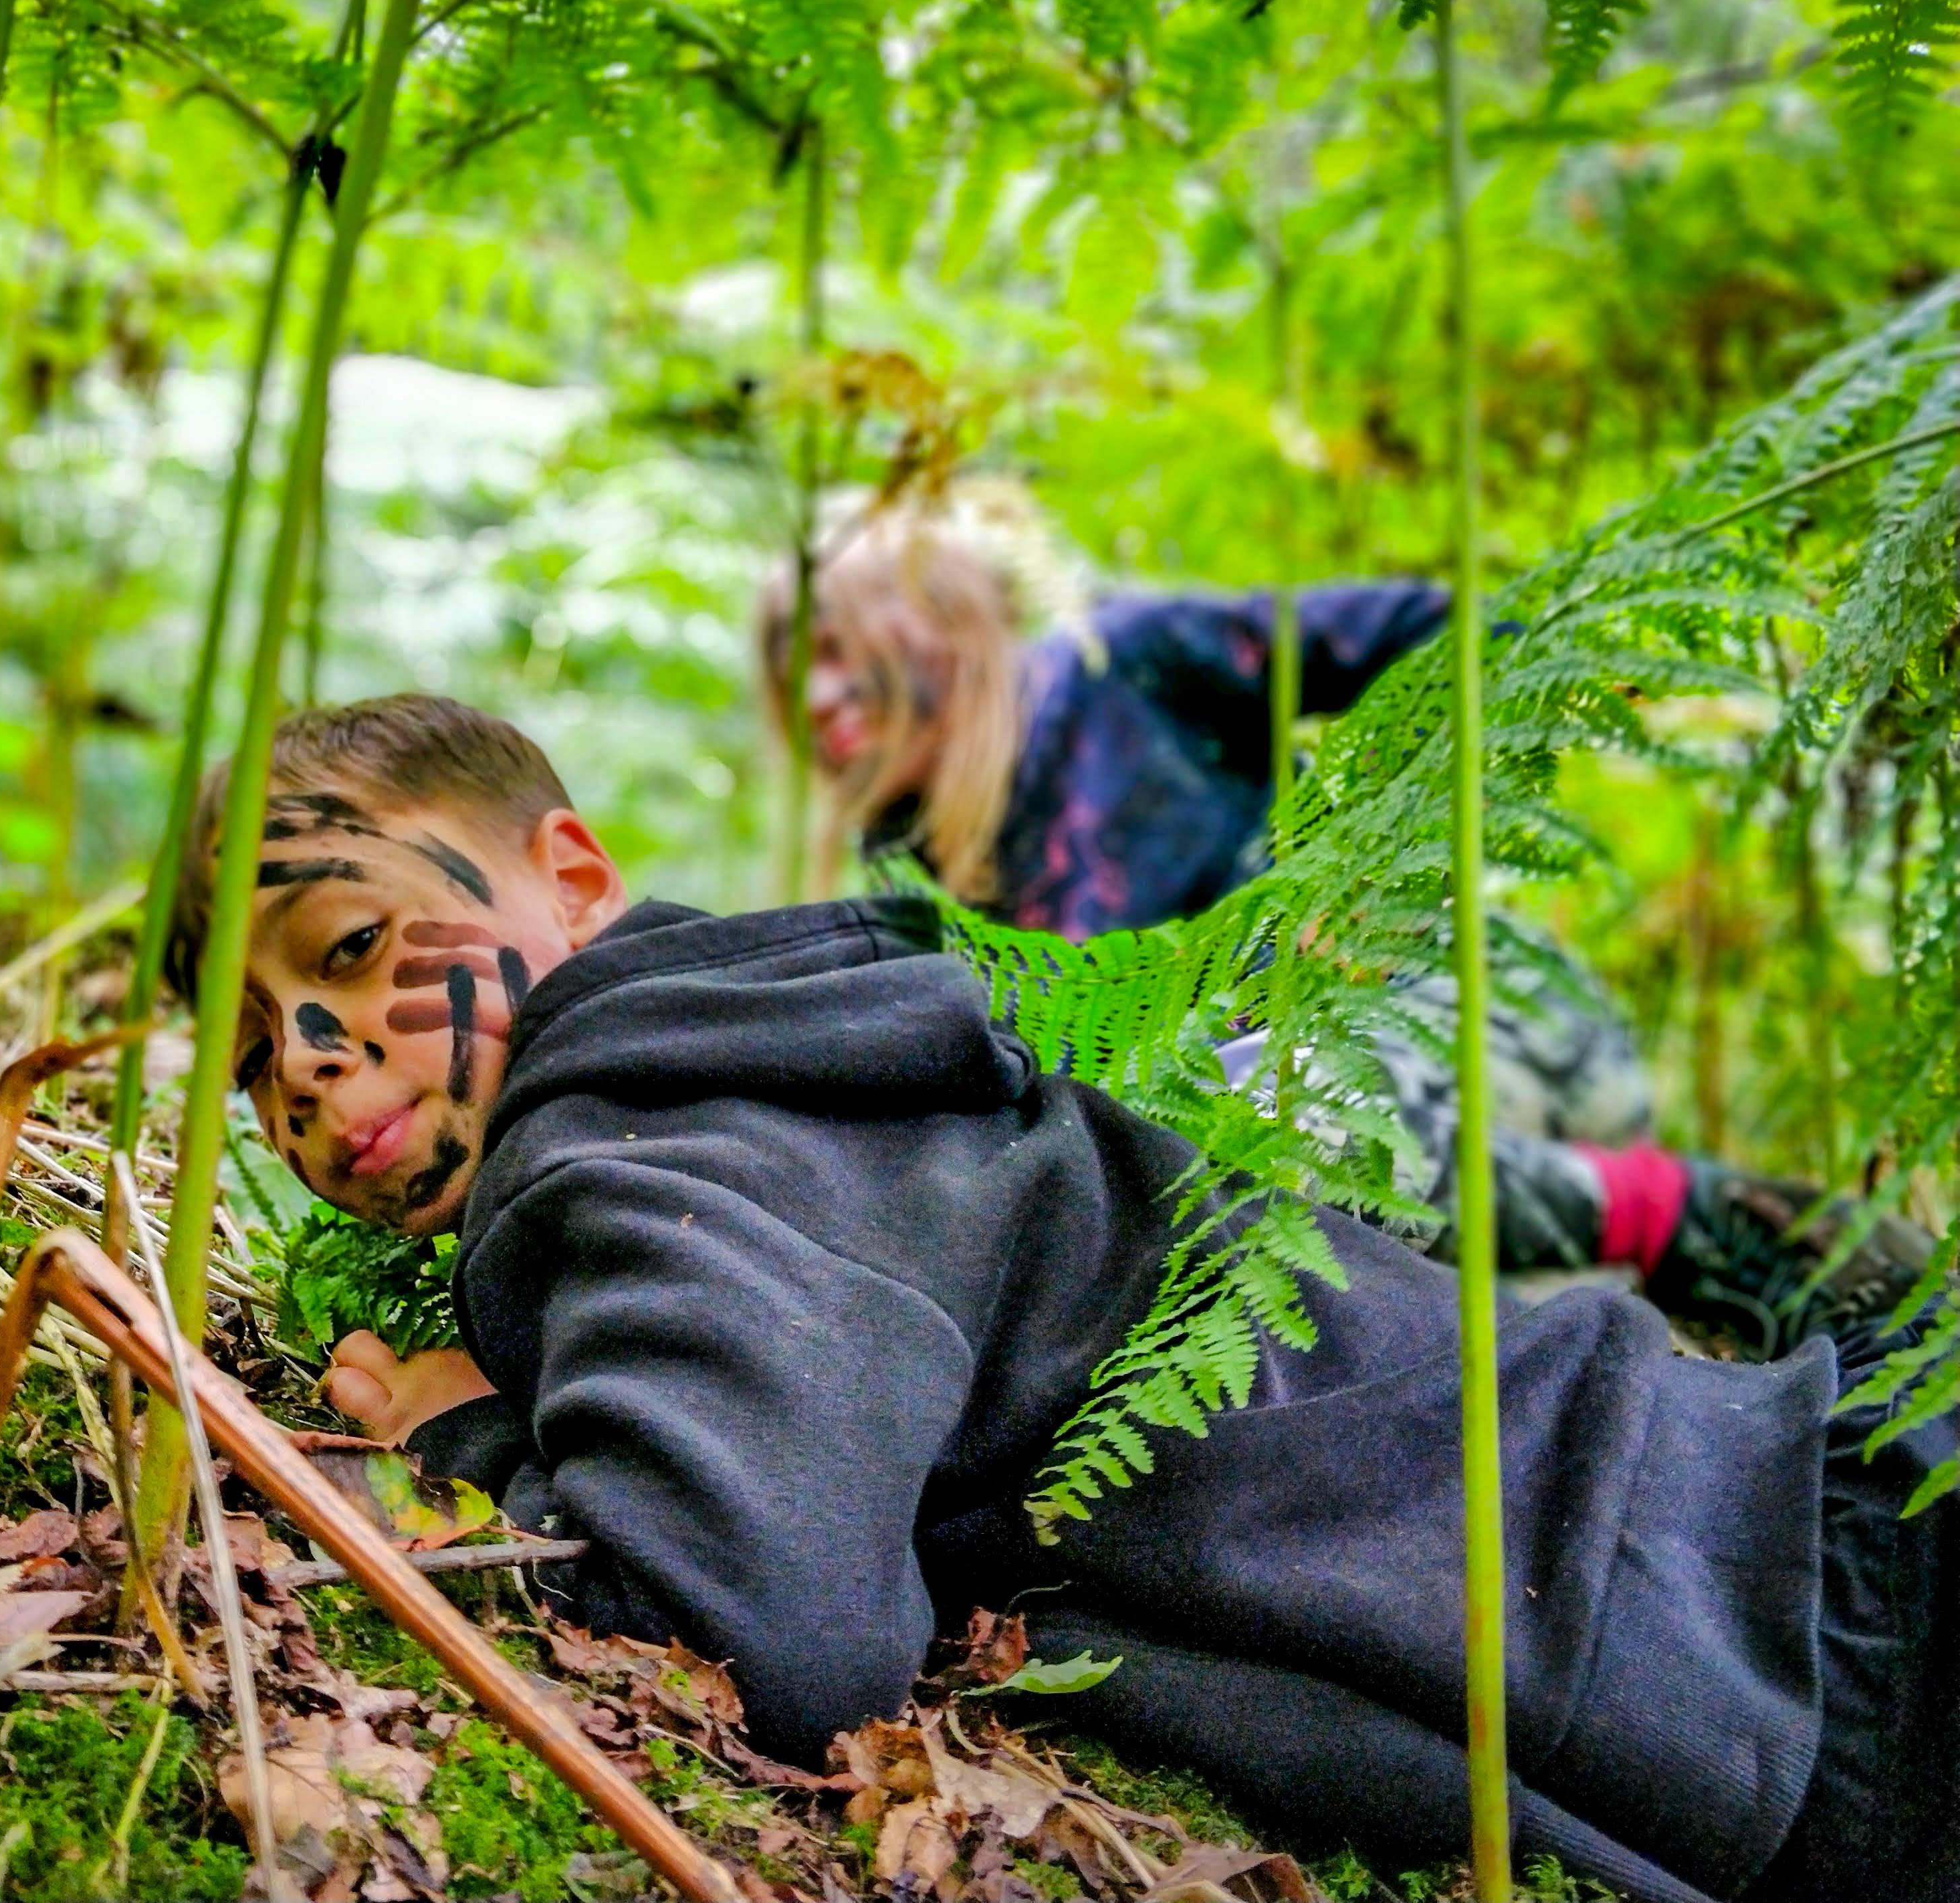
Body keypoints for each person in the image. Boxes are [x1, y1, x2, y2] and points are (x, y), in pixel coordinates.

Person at [165, 692, 1954, 1903]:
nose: (314, 1066)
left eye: (344, 954)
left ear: (570, 879)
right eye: (253, 1060)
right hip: (1781, 1532)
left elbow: (745, 1618)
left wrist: (450, 1435)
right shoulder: (790, 1035)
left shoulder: (628, 1136)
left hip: (1790, 1640)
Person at [759, 483, 1924, 1350]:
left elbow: (1474, 643)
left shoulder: (1120, 666)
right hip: (1357, 1169)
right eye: (786, 670)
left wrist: (1362, 872)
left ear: (931, 624)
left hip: (1455, 1027)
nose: (815, 699)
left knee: (1245, 1113)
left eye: (831, 649)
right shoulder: (905, 864)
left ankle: (1687, 1214)